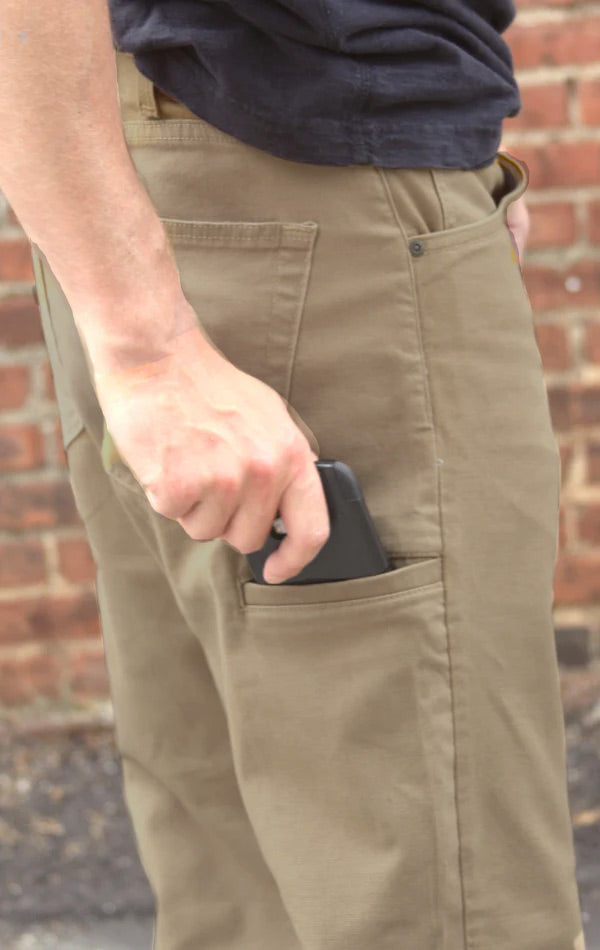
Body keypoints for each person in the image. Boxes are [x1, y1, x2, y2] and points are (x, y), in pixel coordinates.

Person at [0, 2, 586, 948]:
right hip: (307, 200)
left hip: (212, 183)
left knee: (246, 898)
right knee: (448, 912)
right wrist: (148, 346)